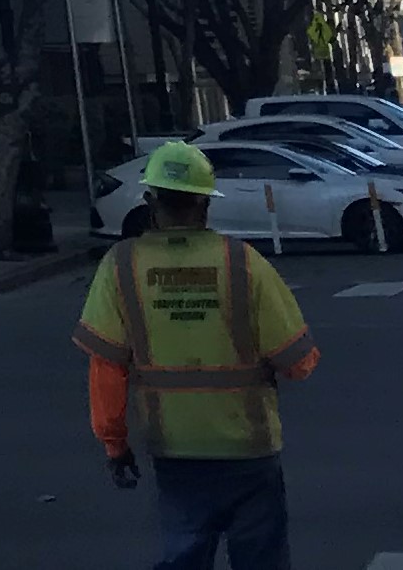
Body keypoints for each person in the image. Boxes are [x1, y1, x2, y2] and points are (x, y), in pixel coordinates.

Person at [75, 141, 320, 570]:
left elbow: (106, 370)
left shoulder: (120, 266)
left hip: (175, 447)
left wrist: (115, 446)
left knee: (184, 557)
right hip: (249, 446)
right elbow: (298, 362)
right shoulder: (242, 262)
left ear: (150, 200)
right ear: (205, 202)